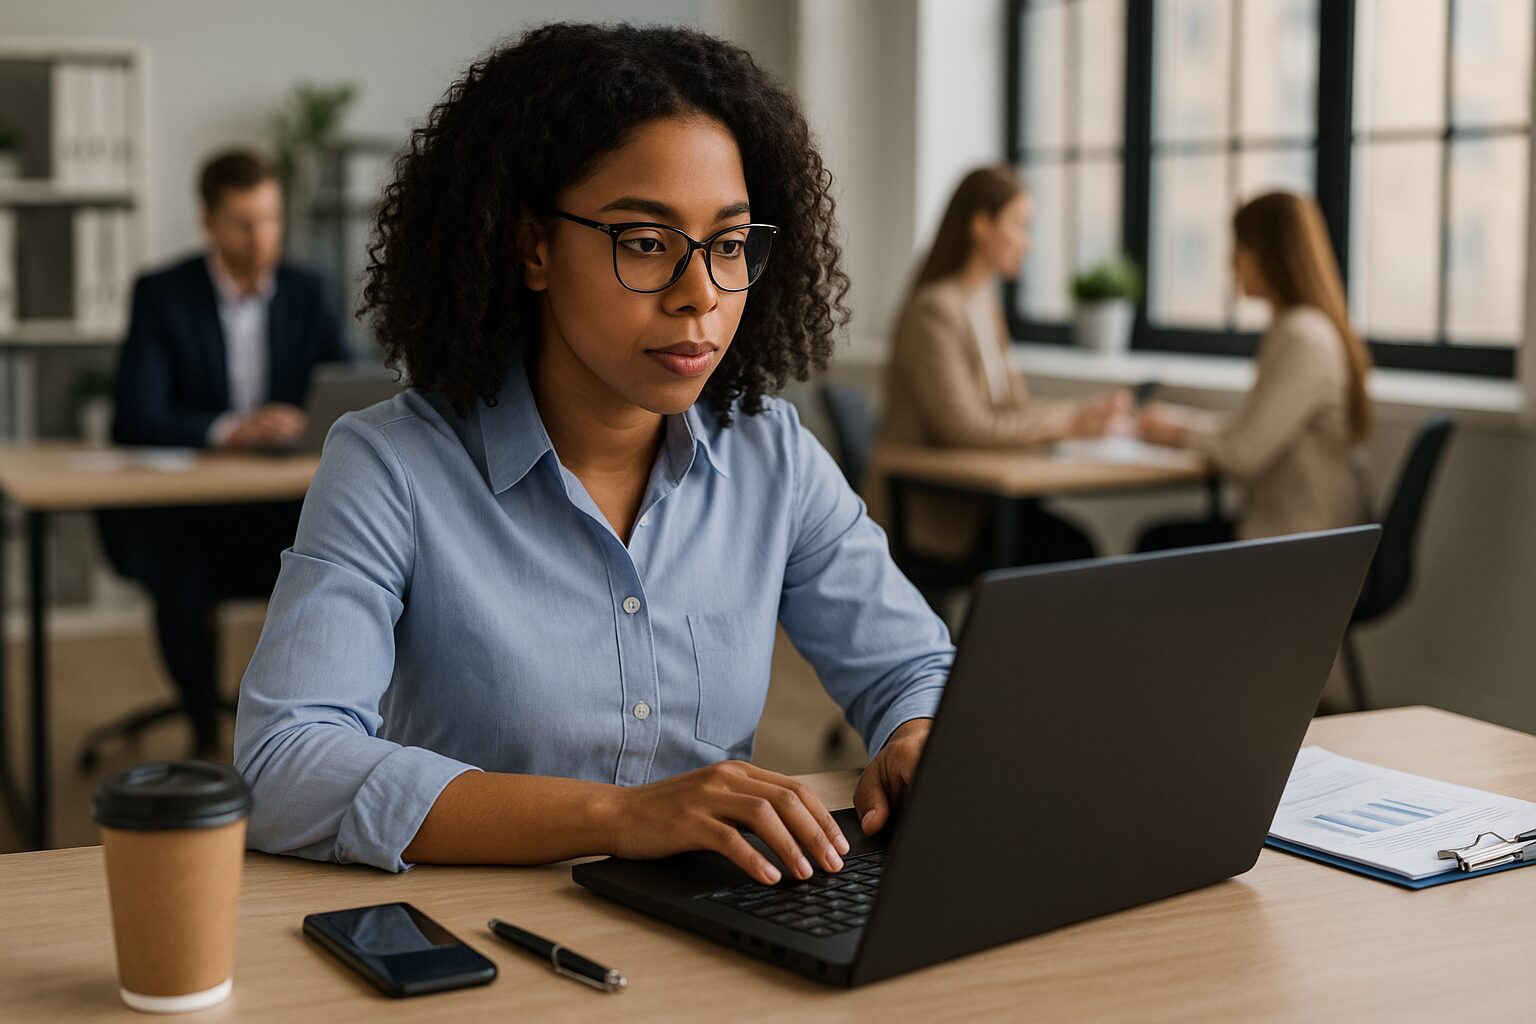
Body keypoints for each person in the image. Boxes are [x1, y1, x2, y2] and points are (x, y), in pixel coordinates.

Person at [234, 23, 953, 884]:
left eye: (728, 246)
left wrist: (918, 733)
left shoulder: (771, 454)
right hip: (479, 940)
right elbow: (283, 762)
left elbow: (916, 664)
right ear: (533, 246)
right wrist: (620, 816)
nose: (701, 298)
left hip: (714, 931)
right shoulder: (391, 466)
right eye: (645, 243)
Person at [99, 148, 351, 757]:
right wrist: (230, 429)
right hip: (190, 509)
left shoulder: (306, 289)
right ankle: (205, 731)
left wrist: (305, 422)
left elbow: (349, 384)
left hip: (280, 500)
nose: (260, 237)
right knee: (179, 570)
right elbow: (134, 416)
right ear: (209, 222)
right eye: (243, 222)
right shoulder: (162, 293)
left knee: (347, 560)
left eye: (270, 219)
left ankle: (313, 730)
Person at [869, 165, 1126, 566]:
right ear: (982, 225)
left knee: (1072, 546)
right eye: (1020, 226)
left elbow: (1013, 408)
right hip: (940, 512)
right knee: (1070, 551)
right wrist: (1068, 423)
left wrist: (1083, 414)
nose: (1028, 243)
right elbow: (965, 427)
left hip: (984, 503)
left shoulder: (984, 305)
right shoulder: (934, 310)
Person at [1135, 192, 1372, 549]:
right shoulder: (1297, 327)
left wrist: (1175, 433)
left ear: (1271, 255)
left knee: (1153, 546)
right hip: (1296, 532)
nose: (1231, 263)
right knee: (1159, 540)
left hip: (1302, 543)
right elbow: (1256, 428)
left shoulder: (1303, 336)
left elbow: (1244, 453)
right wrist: (1177, 422)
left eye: (1240, 248)